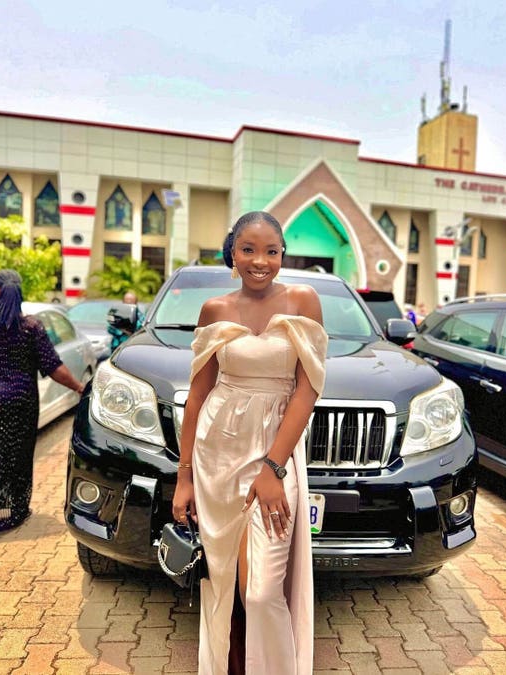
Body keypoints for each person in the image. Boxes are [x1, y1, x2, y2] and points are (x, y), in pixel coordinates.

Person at [172, 211, 327, 674]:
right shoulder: (214, 310)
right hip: (217, 453)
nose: (261, 261)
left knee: (262, 591)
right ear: (232, 254)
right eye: (249, 250)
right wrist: (184, 478)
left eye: (272, 251)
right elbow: (197, 395)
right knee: (227, 582)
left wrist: (273, 468)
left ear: (282, 254)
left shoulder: (304, 300)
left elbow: (307, 389)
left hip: (274, 453)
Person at [0, 269, 85, 533]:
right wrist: (78, 387)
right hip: (20, 403)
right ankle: (13, 510)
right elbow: (53, 367)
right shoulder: (31, 327)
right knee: (17, 456)